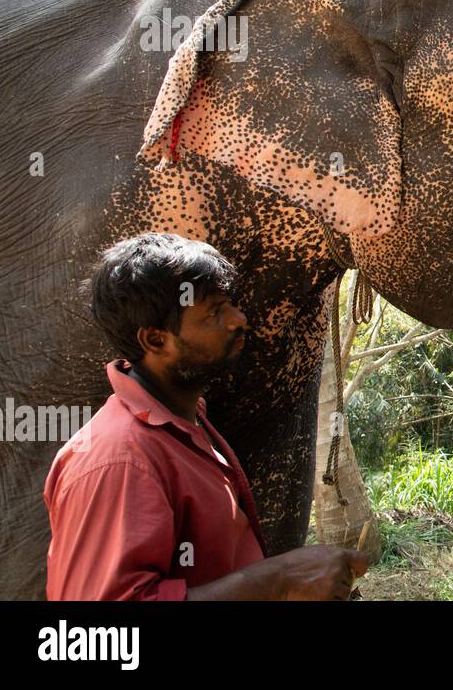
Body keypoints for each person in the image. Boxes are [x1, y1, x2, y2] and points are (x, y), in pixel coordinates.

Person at [44, 231, 368, 600]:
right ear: (155, 340)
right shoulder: (118, 461)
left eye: (230, 303)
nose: (238, 320)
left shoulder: (185, 421)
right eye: (214, 313)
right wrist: (281, 577)